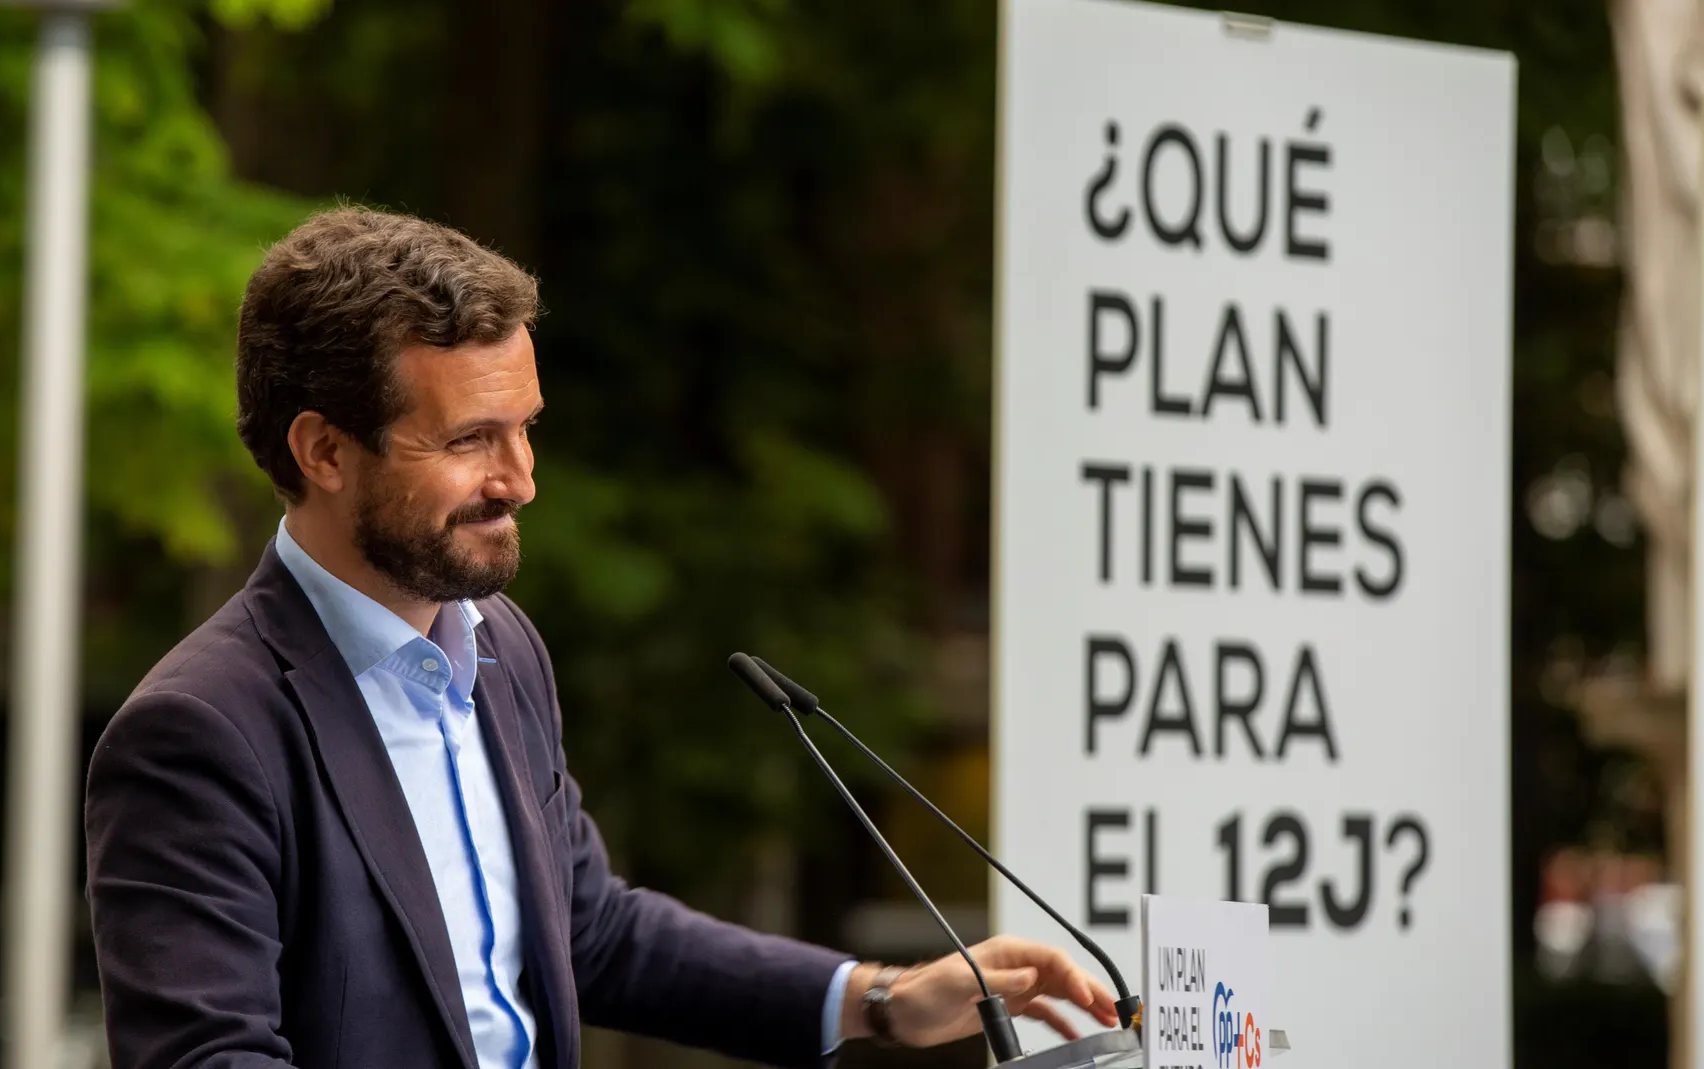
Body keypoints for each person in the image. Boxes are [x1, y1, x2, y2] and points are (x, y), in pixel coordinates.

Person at [83, 207, 1120, 1069]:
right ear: (322, 449)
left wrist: (879, 998)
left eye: (525, 427)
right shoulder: (200, 732)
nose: (521, 478)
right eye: (470, 440)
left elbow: (588, 928)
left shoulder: (503, 650)